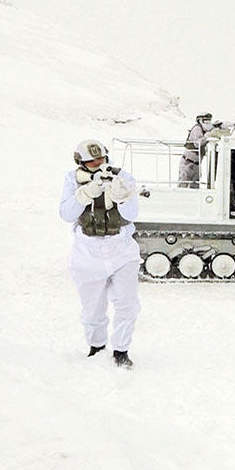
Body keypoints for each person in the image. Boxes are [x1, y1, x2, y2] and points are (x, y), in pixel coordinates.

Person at [58, 139, 141, 367]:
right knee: (92, 307)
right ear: (81, 163)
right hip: (87, 250)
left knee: (127, 304)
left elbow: (133, 214)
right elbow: (66, 214)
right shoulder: (72, 180)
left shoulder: (122, 176)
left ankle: (121, 350)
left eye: (101, 159)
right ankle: (96, 346)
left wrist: (122, 196)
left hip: (121, 247)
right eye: (92, 162)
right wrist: (83, 195)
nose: (98, 164)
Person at [178, 112, 213, 189]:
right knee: (183, 186)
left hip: (196, 164)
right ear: (200, 120)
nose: (208, 122)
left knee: (195, 188)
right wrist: (206, 137)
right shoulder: (197, 129)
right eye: (205, 120)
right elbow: (198, 143)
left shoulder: (204, 130)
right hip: (188, 162)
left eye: (209, 120)